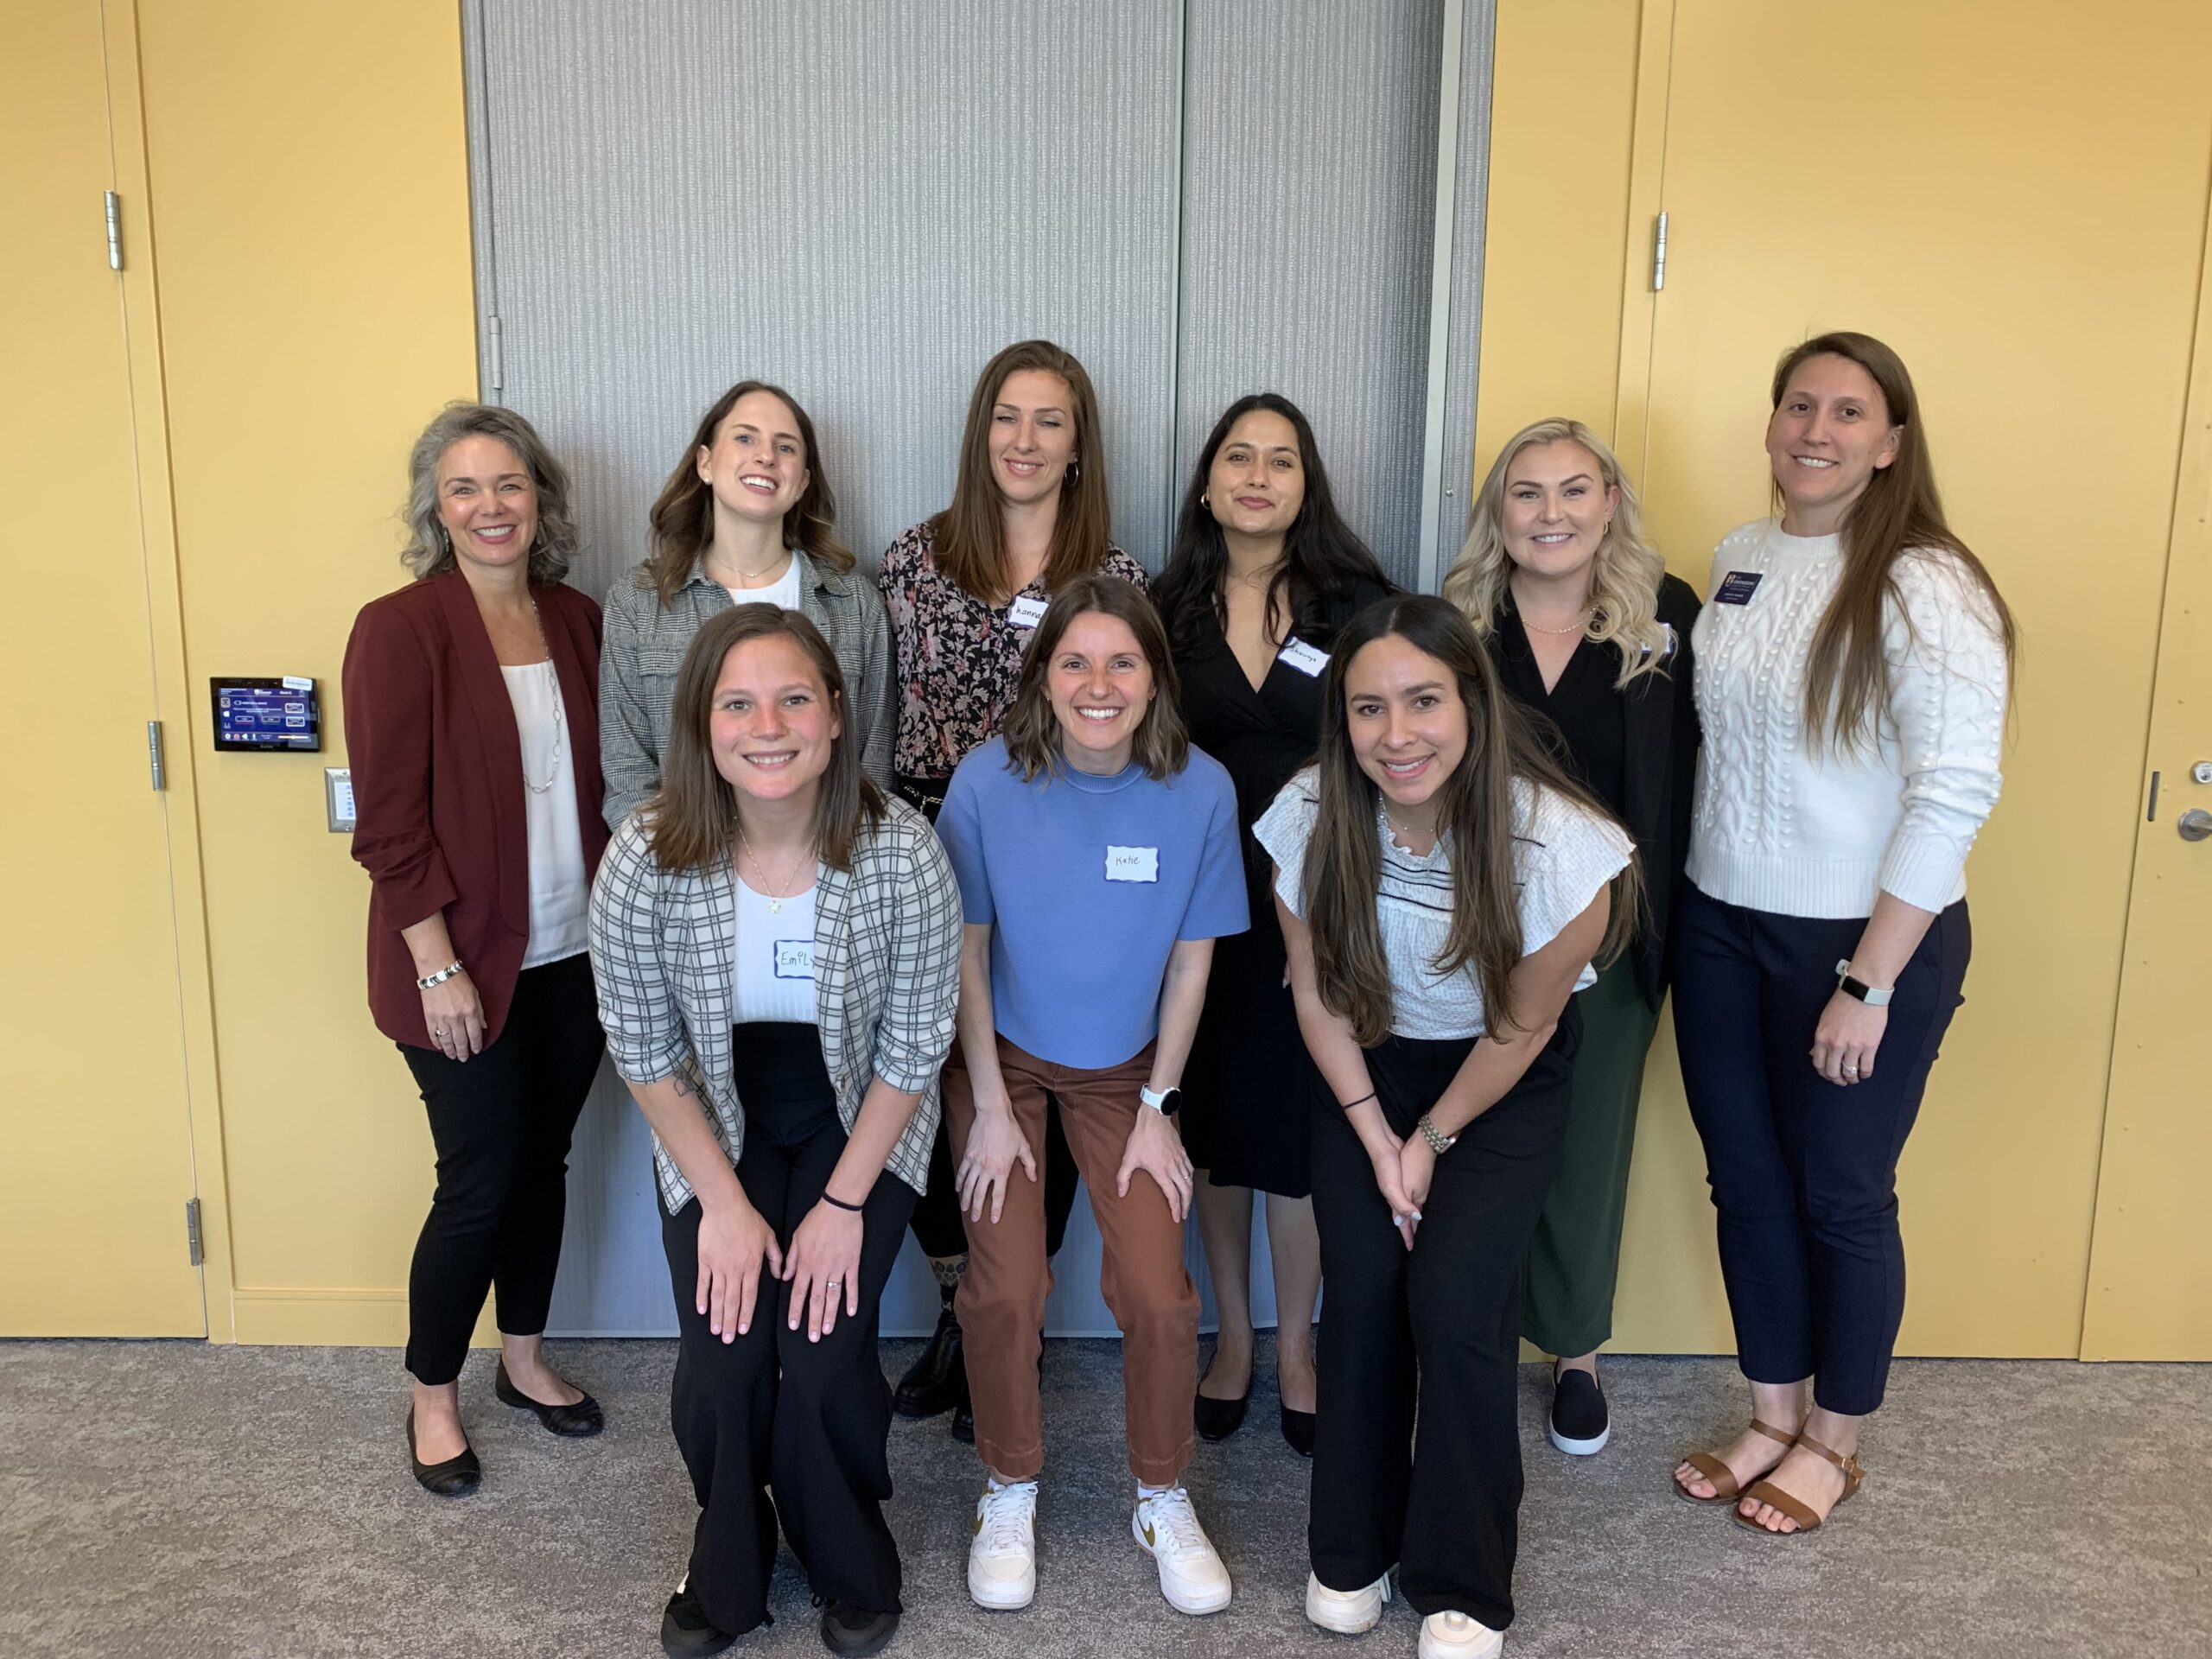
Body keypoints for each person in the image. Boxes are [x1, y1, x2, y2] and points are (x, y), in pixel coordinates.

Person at [1669, 332, 2012, 1535]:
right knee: (1746, 1184)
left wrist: (1868, 981)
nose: (1817, 430)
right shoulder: (1739, 559)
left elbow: (1955, 788)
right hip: (1720, 925)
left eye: (1849, 412)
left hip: (1866, 946)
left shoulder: (1928, 582)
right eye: (1799, 406)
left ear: (1891, 445)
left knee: (1842, 1195)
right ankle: (1771, 1414)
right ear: (1771, 427)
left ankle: (1835, 1438)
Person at [1256, 595, 1637, 1659]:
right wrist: (1380, 1134)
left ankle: (1464, 1581)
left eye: (1423, 701)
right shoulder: (1307, 812)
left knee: (1459, 1304)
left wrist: (1429, 1141)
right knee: (1368, 1291)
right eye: (1369, 709)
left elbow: (1520, 1030)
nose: (1396, 735)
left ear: (1472, 700)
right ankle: (1352, 1549)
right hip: (1364, 1069)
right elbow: (1315, 992)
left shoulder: (1563, 848)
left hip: (1498, 1081)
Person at [588, 606, 961, 1656]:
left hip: (859, 1115)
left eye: (795, 697)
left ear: (836, 717)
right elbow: (645, 1050)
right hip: (713, 1116)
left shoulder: (903, 853)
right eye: (738, 702)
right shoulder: (642, 858)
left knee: (826, 1341)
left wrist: (844, 1203)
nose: (769, 724)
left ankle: (847, 1549)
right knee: (723, 1354)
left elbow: (915, 1044)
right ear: (701, 725)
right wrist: (722, 1204)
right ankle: (729, 1554)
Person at [932, 575, 1248, 1617]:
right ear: (1043, 675)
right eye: (1075, 662)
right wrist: (983, 1101)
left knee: (1160, 1294)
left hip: (1127, 1071)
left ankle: (1159, 1494)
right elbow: (967, 957)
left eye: (1122, 662)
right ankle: (1008, 1485)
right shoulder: (985, 783)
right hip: (1003, 1058)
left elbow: (1193, 966)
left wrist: (1161, 1105)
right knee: (1005, 1287)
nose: (1098, 684)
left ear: (1154, 678)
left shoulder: (1200, 789)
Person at [876, 340, 1149, 1436]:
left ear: (1078, 444)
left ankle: (1015, 1317)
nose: (1024, 441)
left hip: (1062, 861)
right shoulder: (908, 561)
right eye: (1007, 416)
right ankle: (963, 1307)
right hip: (932, 842)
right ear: (979, 430)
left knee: (1050, 1071)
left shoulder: (1118, 579)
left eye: (1049, 421)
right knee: (928, 1074)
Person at [342, 402, 608, 1497]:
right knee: (481, 1179)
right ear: (435, 509)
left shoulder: (579, 619)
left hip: (576, 955)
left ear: (539, 499)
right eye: (465, 488)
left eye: (509, 485)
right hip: (460, 964)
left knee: (542, 1166)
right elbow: (389, 825)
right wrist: (436, 965)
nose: (490, 507)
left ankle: (527, 1360)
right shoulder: (400, 629)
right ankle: (433, 1396)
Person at [1442, 416, 1699, 1458]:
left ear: (1609, 504)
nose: (1551, 514)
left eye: (1573, 491)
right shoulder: (1456, 625)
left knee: (1588, 1150)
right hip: (1479, 923)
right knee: (1473, 1136)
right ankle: (1468, 1336)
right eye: (1528, 493)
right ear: (1497, 517)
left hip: (1616, 929)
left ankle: (1575, 1351)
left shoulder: (1663, 619)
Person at [1150, 392, 1395, 1454]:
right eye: (1237, 458)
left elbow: (1402, 750)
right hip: (1194, 902)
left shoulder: (1360, 607)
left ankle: (1298, 1343)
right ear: (1206, 482)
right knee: (1211, 1130)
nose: (1257, 475)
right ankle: (1234, 1336)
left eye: (1281, 460)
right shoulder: (1164, 610)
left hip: (1319, 894)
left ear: (1307, 485)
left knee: (1298, 1134)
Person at [601, 378, 895, 830]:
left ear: (802, 483)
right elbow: (627, 774)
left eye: (786, 447)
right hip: (685, 872)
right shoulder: (639, 601)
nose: (766, 456)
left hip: (829, 868)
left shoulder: (854, 604)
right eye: (744, 438)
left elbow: (872, 770)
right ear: (705, 463)